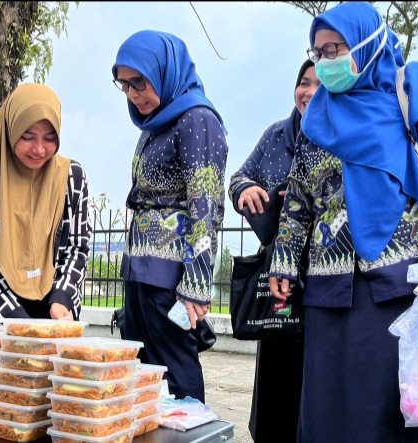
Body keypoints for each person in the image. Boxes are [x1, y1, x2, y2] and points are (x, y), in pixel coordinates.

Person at [268, 3, 418, 442]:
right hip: (330, 292)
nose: (326, 62)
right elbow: (301, 196)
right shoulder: (316, 118)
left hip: (403, 287)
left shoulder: (410, 86)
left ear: (367, 42)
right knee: (331, 413)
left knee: (405, 413)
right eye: (319, 52)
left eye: (335, 48)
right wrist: (284, 261)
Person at [112, 30, 228, 403]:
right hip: (141, 270)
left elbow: (205, 203)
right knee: (143, 375)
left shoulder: (196, 118)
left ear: (165, 71)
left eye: (140, 82)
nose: (133, 94)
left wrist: (195, 284)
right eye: (125, 85)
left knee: (174, 375)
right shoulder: (153, 123)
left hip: (172, 277)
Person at [227, 59, 319, 443]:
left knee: (315, 376)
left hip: (321, 275)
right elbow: (237, 178)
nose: (308, 92)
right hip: (277, 279)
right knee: (276, 372)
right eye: (303, 82)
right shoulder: (275, 136)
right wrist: (245, 188)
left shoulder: (339, 136)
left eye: (318, 84)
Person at [0, 83, 92, 324]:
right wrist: (16, 321)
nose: (39, 149)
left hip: (55, 316)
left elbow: (76, 247)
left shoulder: (71, 177)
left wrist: (62, 297)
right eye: (27, 137)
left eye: (50, 139)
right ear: (10, 131)